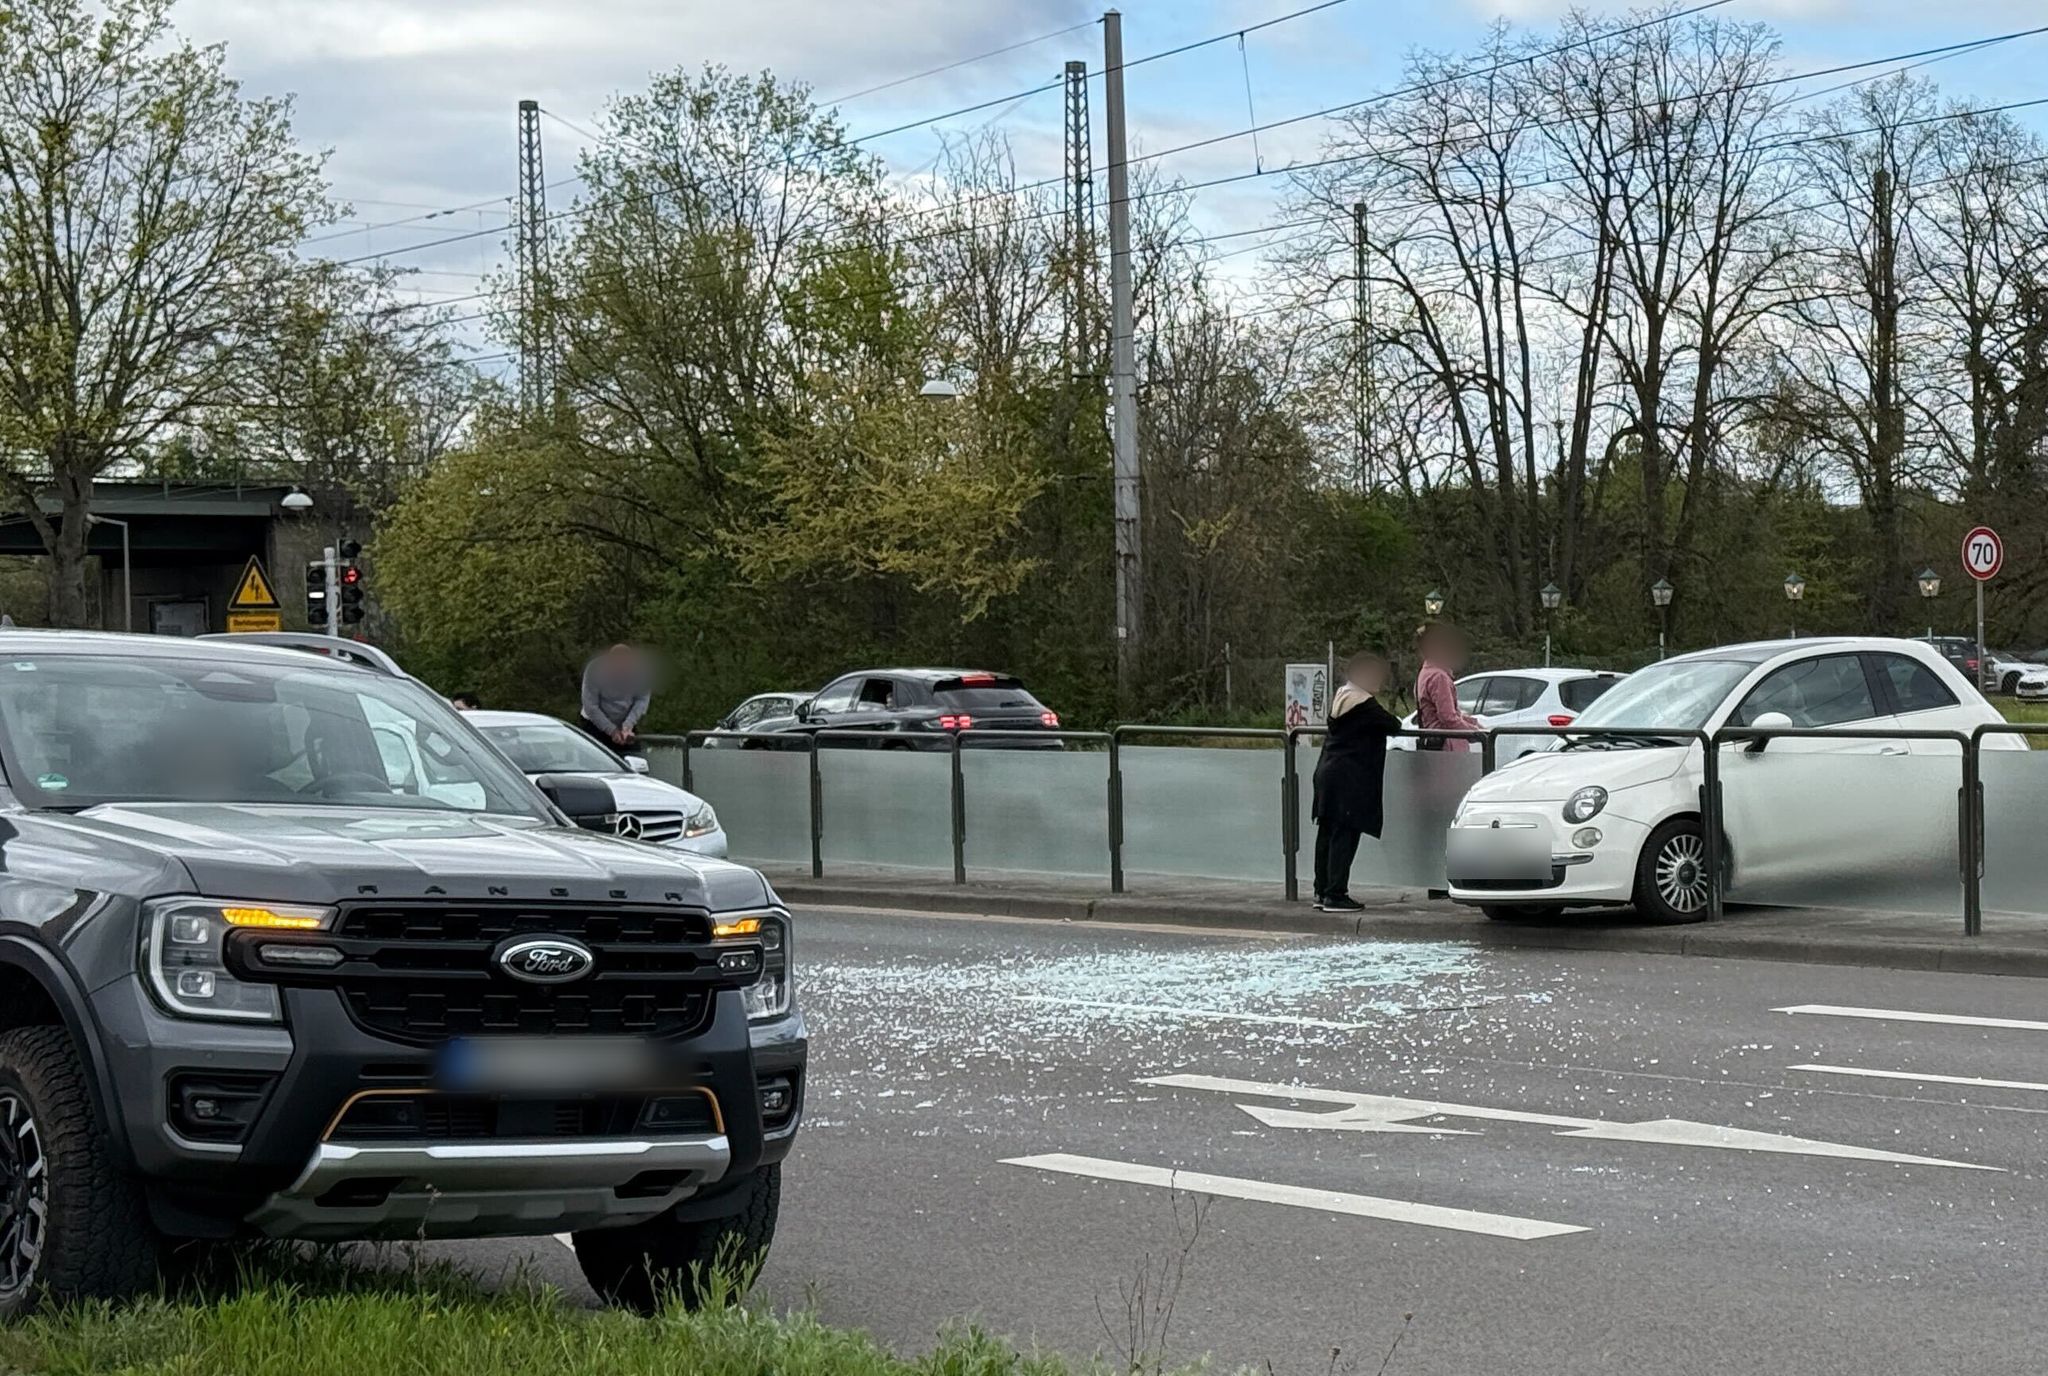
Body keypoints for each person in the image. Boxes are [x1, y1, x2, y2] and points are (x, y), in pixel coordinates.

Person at [1312, 651, 1400, 913]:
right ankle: (1336, 894)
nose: (1378, 681)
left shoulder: (1342, 697)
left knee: (1327, 832)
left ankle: (1321, 890)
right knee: (1345, 834)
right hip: (1350, 777)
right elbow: (1392, 724)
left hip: (1328, 771)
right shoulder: (1364, 704)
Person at [1414, 622, 1482, 752]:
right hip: (1448, 746)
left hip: (1434, 742)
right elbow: (1448, 717)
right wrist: (1475, 733)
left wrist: (1471, 722)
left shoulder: (1424, 673)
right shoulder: (1439, 677)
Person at [581, 644, 651, 755]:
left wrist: (628, 726)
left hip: (625, 723)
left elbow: (642, 700)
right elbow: (590, 706)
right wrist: (612, 731)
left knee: (635, 761)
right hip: (595, 723)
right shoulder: (594, 669)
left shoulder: (640, 672)